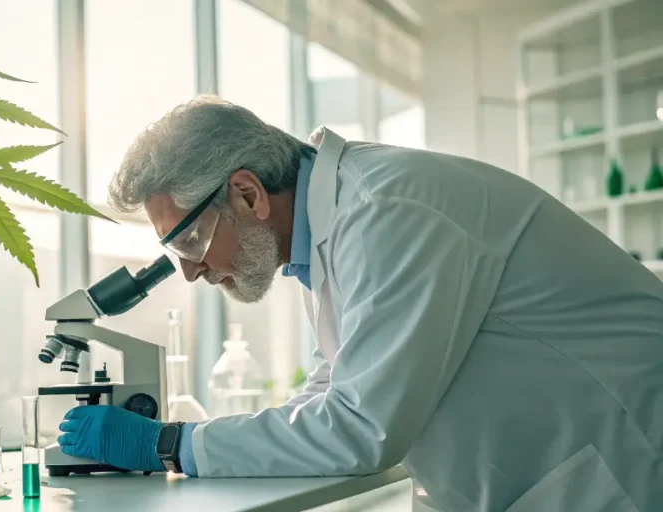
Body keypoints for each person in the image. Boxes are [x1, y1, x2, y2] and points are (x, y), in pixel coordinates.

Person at [56, 95, 663, 511]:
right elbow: (333, 390)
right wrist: (195, 443)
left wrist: (169, 444)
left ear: (246, 194)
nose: (188, 270)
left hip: (626, 466)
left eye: (189, 239)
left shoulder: (388, 212)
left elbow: (360, 427)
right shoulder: (330, 234)